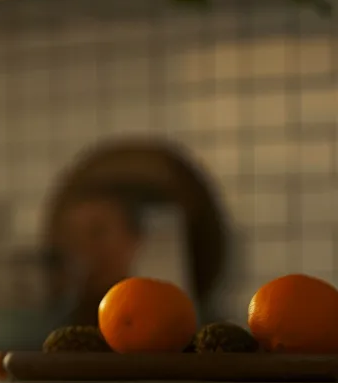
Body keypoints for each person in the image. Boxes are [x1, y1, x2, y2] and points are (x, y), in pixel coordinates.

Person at [42, 139, 231, 330]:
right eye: (72, 235)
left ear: (141, 236)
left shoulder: (206, 337)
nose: (83, 249)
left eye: (97, 232)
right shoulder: (58, 332)